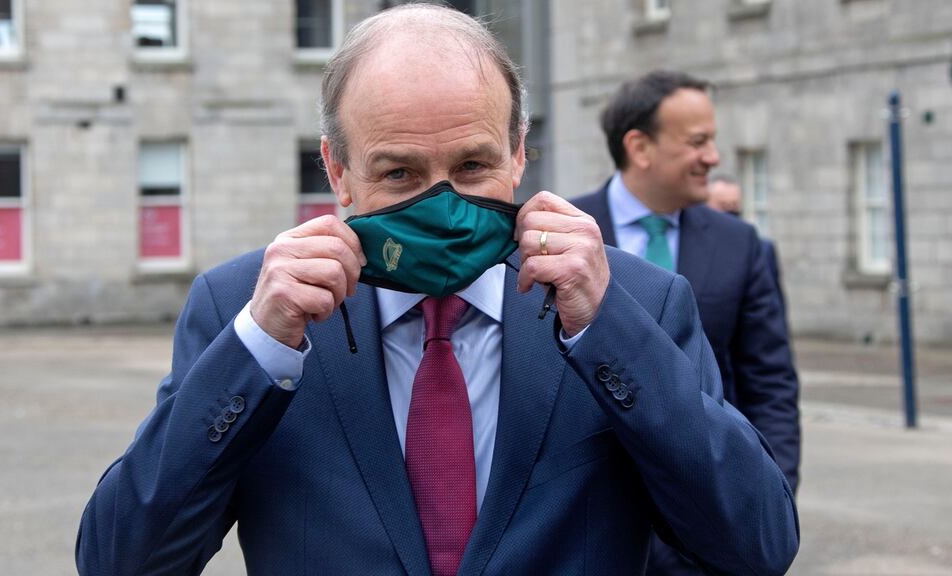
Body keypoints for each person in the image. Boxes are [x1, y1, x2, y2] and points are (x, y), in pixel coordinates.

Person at [76, 8, 798, 575]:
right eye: (399, 174)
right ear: (337, 169)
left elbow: (756, 544)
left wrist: (608, 331)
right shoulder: (243, 306)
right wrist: (257, 348)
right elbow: (121, 560)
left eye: (474, 164)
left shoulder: (634, 300)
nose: (443, 205)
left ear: (519, 150)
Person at [572, 70, 801, 575]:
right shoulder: (561, 237)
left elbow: (770, 385)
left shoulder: (741, 246)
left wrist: (765, 498)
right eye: (698, 142)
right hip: (592, 532)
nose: (713, 158)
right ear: (640, 147)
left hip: (709, 535)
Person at [707, 174, 787, 307]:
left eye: (734, 205)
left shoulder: (762, 249)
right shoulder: (695, 249)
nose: (730, 212)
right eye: (723, 206)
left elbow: (773, 305)